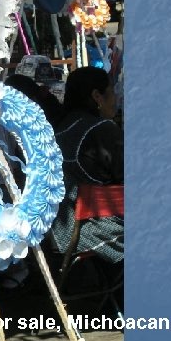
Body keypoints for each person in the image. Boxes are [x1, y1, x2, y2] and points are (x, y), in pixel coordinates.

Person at [51, 67, 124, 263]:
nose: (116, 98)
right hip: (94, 227)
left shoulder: (61, 128)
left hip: (61, 225)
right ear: (97, 96)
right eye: (112, 92)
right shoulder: (101, 129)